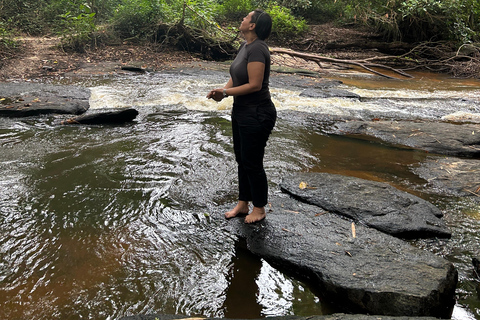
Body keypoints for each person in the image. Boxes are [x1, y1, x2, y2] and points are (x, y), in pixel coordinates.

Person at [207, 9, 276, 224]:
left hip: (258, 113)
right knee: (241, 159)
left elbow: (255, 85)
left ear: (253, 25)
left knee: (252, 162)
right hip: (242, 111)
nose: (242, 19)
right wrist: (222, 91)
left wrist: (226, 93)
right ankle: (243, 203)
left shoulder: (257, 49)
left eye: (246, 17)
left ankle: (259, 208)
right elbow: (236, 77)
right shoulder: (245, 46)